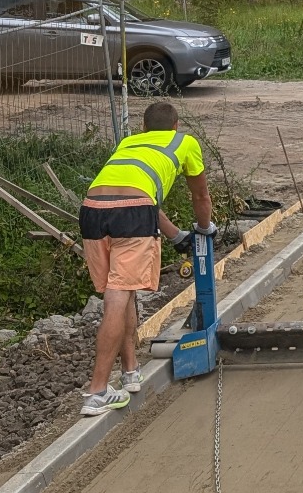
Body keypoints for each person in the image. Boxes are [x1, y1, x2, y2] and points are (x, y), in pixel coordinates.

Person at [79, 99, 214, 416]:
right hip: (132, 216)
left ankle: (130, 372)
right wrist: (204, 230)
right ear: (176, 126)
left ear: (143, 128)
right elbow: (200, 196)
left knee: (120, 291)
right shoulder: (185, 142)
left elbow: (139, 196)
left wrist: (175, 235)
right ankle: (97, 391)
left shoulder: (129, 143)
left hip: (91, 211)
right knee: (118, 295)